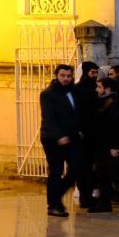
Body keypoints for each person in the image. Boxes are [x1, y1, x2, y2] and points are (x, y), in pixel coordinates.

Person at [90, 77, 119, 214]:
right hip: (104, 145)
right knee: (102, 174)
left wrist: (113, 146)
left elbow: (114, 126)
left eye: (99, 87)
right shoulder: (106, 101)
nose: (97, 90)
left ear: (107, 89)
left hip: (113, 146)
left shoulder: (115, 103)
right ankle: (104, 202)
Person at [40, 64, 81, 217]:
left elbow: (76, 113)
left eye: (69, 76)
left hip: (71, 137)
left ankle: (56, 198)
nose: (66, 79)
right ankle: (53, 205)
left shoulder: (73, 91)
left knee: (77, 167)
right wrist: (59, 136)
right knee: (56, 171)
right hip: (52, 139)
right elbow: (48, 118)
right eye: (63, 76)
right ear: (57, 75)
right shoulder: (48, 94)